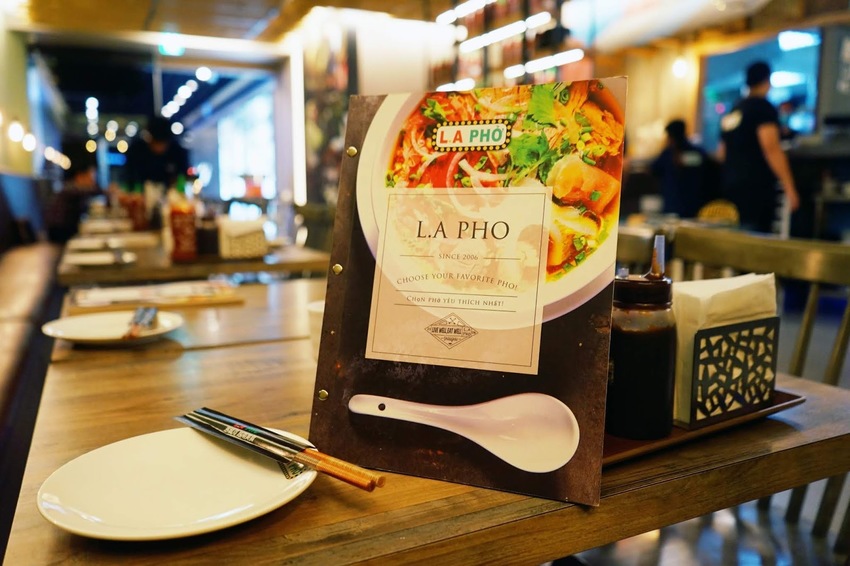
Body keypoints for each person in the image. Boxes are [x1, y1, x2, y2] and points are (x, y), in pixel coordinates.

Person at [717, 60, 800, 232]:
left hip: (731, 185)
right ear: (766, 81)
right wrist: (789, 187)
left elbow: (721, 153)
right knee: (754, 238)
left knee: (734, 236)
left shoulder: (735, 110)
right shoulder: (762, 108)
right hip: (755, 187)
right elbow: (771, 148)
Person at [651, 119, 719, 218]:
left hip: (675, 206)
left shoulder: (668, 154)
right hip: (692, 206)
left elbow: (654, 169)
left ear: (670, 136)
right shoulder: (696, 152)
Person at [46, 143, 104, 243]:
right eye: (90, 176)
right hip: (58, 230)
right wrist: (106, 191)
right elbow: (87, 191)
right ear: (80, 176)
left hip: (65, 228)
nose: (92, 180)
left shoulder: (71, 187)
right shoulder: (70, 187)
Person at [124, 116, 189, 189]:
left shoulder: (177, 152)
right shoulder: (137, 151)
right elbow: (129, 177)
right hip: (141, 193)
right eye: (156, 143)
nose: (159, 148)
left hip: (170, 193)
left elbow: (183, 175)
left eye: (162, 143)